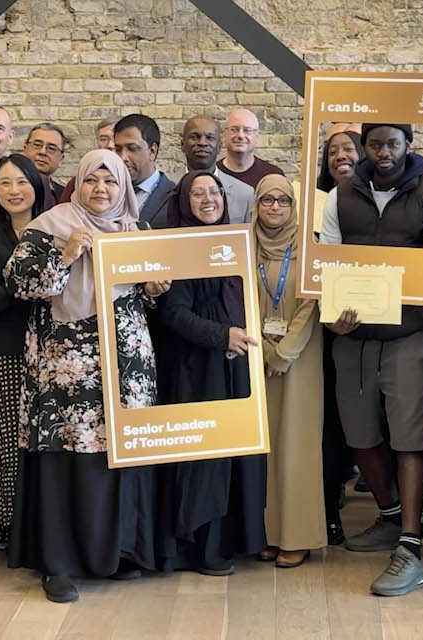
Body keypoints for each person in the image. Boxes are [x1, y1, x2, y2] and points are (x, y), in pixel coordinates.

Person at [7, 150, 166, 603]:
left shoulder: (136, 231)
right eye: (92, 180)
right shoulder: (48, 227)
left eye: (110, 181)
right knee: (65, 460)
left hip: (125, 368)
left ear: (123, 188)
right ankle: (58, 564)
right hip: (64, 371)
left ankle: (116, 554)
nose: (101, 189)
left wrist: (155, 289)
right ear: (77, 184)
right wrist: (66, 254)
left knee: (119, 455)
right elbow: (18, 285)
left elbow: (145, 297)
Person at [316, 123, 423, 596]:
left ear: (407, 145)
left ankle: (411, 545)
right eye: (375, 144)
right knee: (360, 435)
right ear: (364, 148)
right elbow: (328, 260)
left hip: (407, 334)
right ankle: (390, 516)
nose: (384, 152)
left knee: (410, 437)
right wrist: (332, 313)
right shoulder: (339, 195)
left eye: (392, 143)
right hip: (351, 336)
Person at [151, 171, 267, 576]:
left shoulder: (234, 243)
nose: (208, 199)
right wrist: (221, 335)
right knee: (204, 459)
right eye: (197, 193)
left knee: (231, 453)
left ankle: (229, 541)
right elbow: (173, 314)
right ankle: (200, 548)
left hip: (232, 362)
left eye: (214, 192)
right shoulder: (174, 246)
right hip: (195, 369)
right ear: (183, 201)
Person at [0, 154, 47, 547]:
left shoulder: (55, 233)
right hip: (5, 353)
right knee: (6, 445)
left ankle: (42, 528)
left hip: (51, 355)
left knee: (45, 445)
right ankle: (4, 526)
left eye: (22, 181)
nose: (15, 190)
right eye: (5, 183)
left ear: (36, 185)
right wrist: (23, 282)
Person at [248, 174, 325, 568]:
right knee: (264, 448)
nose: (275, 207)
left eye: (283, 200)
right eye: (267, 200)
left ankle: (297, 535)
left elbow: (311, 304)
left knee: (296, 444)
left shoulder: (309, 245)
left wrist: (283, 354)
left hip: (299, 358)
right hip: (255, 354)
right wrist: (262, 350)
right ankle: (267, 533)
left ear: (294, 207)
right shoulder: (245, 243)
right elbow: (239, 295)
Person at [312, 128, 362, 547]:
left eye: (348, 148)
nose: (340, 155)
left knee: (347, 428)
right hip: (318, 331)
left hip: (365, 329)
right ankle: (323, 511)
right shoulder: (311, 204)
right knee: (323, 426)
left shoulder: (374, 203)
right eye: (332, 150)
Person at [179, 114, 253, 223]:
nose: (202, 143)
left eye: (210, 138)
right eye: (194, 137)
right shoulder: (167, 189)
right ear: (182, 144)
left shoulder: (245, 194)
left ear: (219, 146)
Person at [113, 113, 177, 228]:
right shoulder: (107, 193)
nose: (122, 157)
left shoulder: (175, 198)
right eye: (118, 149)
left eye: (132, 148)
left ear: (152, 151)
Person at [218, 108, 285, 188]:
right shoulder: (212, 175)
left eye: (247, 130)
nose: (240, 135)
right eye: (234, 129)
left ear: (256, 136)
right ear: (224, 134)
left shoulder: (273, 176)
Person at [22, 123, 69, 204]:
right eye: (37, 145)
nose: (42, 152)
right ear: (24, 149)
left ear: (61, 159)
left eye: (51, 148)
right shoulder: (6, 187)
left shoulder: (66, 196)